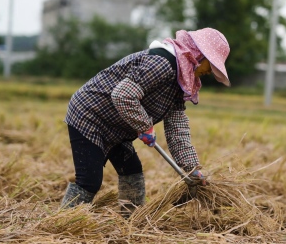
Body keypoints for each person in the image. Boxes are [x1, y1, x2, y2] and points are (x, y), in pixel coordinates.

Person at [61, 27, 231, 216]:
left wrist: (192, 169)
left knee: (132, 171)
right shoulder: (162, 63)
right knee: (89, 180)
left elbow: (177, 129)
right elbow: (123, 94)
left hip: (116, 125)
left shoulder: (180, 80)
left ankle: (132, 222)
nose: (210, 71)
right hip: (90, 116)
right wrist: (144, 126)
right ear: (198, 54)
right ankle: (62, 222)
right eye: (211, 63)